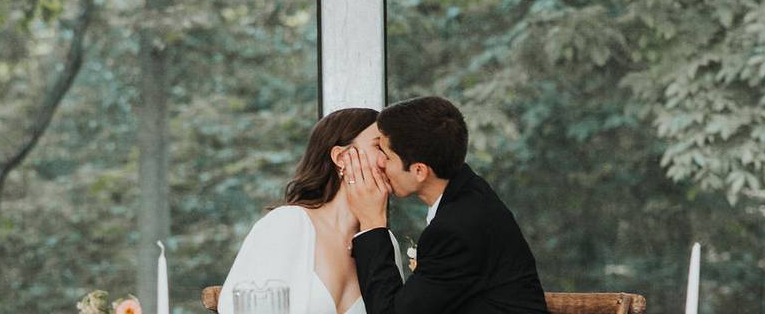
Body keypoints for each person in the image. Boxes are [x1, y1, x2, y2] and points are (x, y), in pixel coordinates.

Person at [343, 95, 549, 314]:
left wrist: (372, 223)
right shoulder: (470, 190)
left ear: (419, 171)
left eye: (386, 155)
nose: (380, 163)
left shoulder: (456, 230)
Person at [218, 108, 404, 314]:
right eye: (379, 146)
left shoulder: (383, 241)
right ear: (342, 157)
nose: (389, 159)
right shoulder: (288, 223)